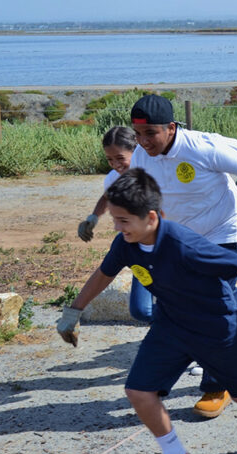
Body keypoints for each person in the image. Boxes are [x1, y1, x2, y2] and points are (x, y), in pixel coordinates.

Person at [55, 169, 237, 454]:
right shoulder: (126, 243)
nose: (117, 227)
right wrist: (74, 310)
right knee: (138, 390)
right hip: (171, 327)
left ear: (151, 217)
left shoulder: (184, 244)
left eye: (123, 220)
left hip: (215, 326)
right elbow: (104, 273)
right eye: (115, 220)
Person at [128, 94, 237, 419]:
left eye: (151, 134)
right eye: (138, 135)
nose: (144, 142)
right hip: (182, 238)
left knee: (211, 305)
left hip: (224, 232)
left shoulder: (203, 147)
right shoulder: (142, 157)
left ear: (171, 128)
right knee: (213, 299)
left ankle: (218, 385)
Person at [76, 126, 154, 324]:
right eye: (110, 159)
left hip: (165, 243)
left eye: (120, 158)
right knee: (141, 310)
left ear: (136, 150)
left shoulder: (152, 168)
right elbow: (106, 196)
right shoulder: (114, 177)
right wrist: (93, 218)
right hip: (139, 246)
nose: (115, 164)